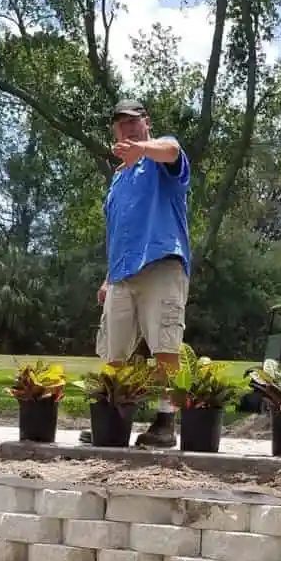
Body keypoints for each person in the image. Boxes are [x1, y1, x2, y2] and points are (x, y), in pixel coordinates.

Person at [96, 98, 190, 449]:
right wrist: (108, 276)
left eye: (134, 122)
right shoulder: (117, 180)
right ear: (114, 131)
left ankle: (167, 422)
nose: (128, 129)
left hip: (162, 263)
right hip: (121, 274)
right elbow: (119, 229)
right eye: (121, 124)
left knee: (166, 347)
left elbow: (171, 150)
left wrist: (142, 150)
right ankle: (113, 421)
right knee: (113, 353)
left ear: (146, 123)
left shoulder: (160, 157)